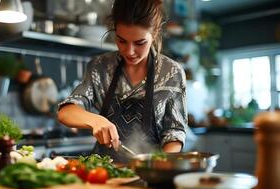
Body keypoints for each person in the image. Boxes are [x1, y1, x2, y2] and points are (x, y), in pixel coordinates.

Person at [57, 0, 187, 163]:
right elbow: (65, 113)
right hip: (104, 170)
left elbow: (174, 133)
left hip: (150, 171)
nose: (129, 51)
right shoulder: (100, 67)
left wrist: (159, 166)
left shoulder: (171, 72)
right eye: (122, 41)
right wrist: (95, 120)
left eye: (140, 43)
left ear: (154, 33)